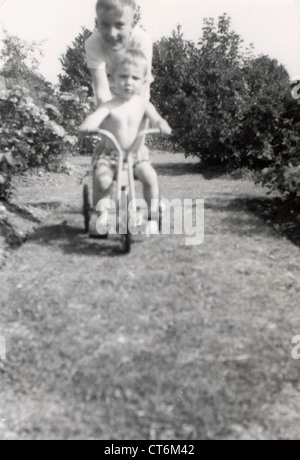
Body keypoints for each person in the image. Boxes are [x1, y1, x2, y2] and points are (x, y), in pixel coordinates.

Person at [80, 49, 172, 234]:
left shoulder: (144, 105)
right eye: (123, 76)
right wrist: (87, 125)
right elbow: (95, 118)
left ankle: (152, 217)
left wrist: (162, 125)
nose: (128, 82)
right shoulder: (109, 105)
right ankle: (103, 216)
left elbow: (157, 119)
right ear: (112, 79)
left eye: (135, 78)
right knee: (102, 180)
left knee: (150, 177)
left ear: (144, 82)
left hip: (136, 156)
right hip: (110, 155)